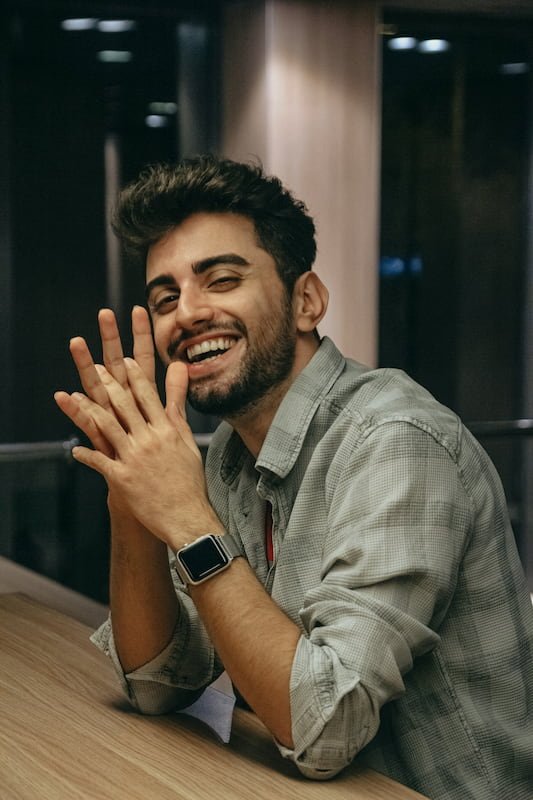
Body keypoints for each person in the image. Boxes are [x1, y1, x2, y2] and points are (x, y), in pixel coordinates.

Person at [55, 155, 533, 799]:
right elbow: (160, 681)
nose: (187, 313)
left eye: (221, 279)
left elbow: (325, 727)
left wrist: (190, 522)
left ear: (306, 300)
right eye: (165, 297)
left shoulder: (395, 441)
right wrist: (130, 494)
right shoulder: (229, 452)